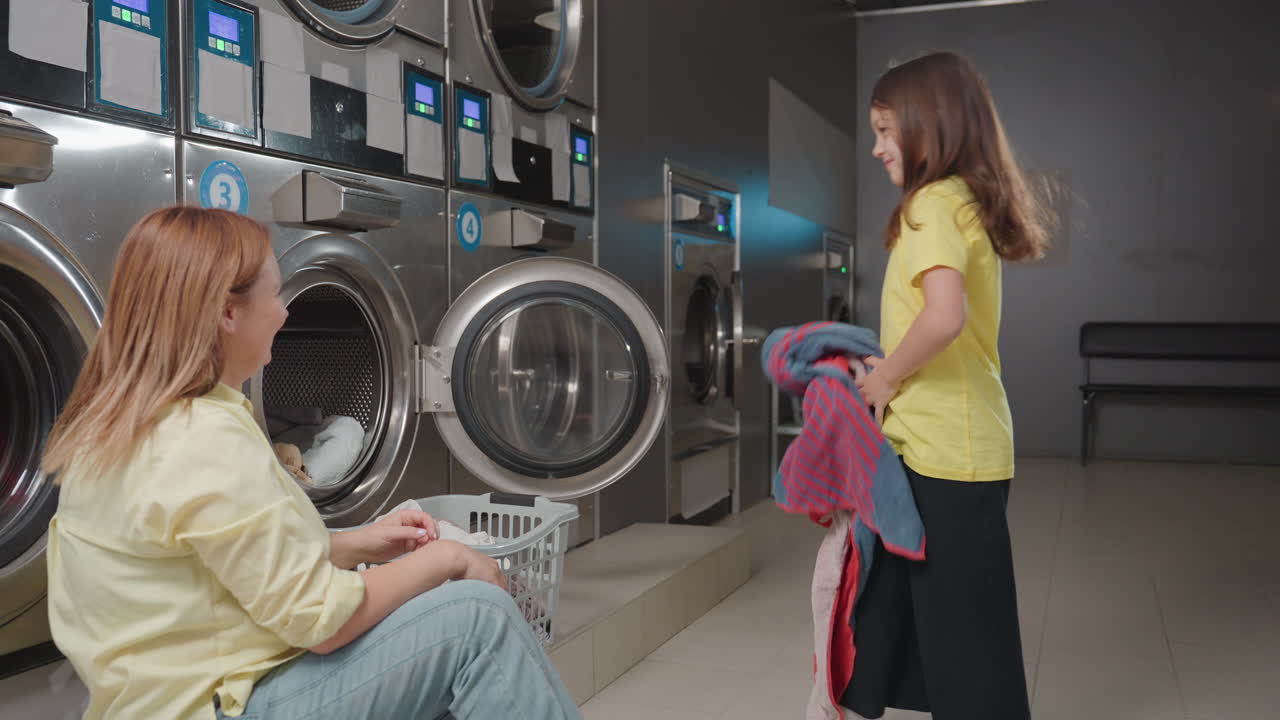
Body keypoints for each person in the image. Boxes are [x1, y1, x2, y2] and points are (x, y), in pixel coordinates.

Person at [42, 207, 583, 720]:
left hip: (157, 700)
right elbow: (322, 622)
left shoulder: (117, 423)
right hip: (219, 705)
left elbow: (220, 556)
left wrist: (360, 541)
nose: (283, 312)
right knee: (477, 622)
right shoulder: (203, 439)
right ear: (228, 313)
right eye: (276, 295)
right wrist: (448, 559)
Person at [845, 51, 1050, 720]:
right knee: (943, 618)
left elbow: (943, 317)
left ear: (926, 125)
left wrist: (881, 378)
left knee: (967, 639)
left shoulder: (932, 203)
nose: (877, 148)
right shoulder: (960, 201)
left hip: (947, 455)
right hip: (954, 445)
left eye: (884, 130)